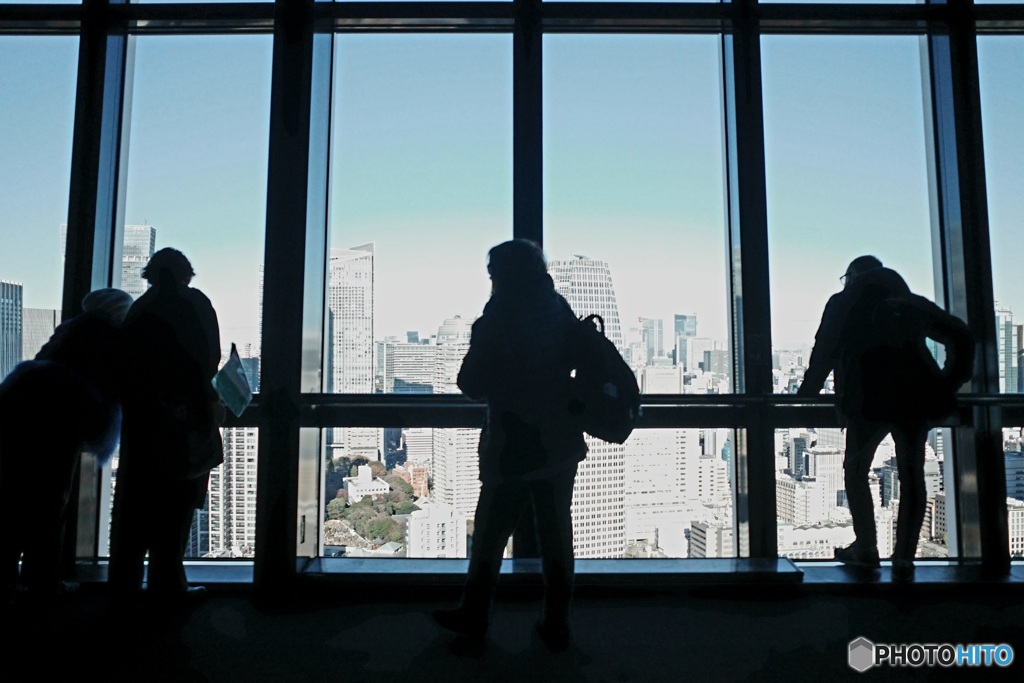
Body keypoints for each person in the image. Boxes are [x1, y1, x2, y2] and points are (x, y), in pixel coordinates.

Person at [432, 239, 587, 651]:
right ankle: (557, 623)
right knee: (557, 533)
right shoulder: (558, 307)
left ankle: (475, 615)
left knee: (491, 534)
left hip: (514, 444)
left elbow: (470, 382)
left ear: (499, 275)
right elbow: (575, 357)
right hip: (560, 441)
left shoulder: (499, 315)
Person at [797, 255, 973, 581]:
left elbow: (824, 349)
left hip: (867, 401)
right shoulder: (909, 303)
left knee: (855, 469)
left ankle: (866, 548)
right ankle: (904, 558)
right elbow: (961, 336)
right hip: (915, 402)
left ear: (852, 277)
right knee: (912, 475)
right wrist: (948, 383)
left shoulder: (843, 303)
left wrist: (806, 395)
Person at [0, 288, 132, 602]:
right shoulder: (107, 335)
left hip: (17, 410)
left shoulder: (72, 329)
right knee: (48, 502)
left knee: (14, 499)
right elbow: (123, 381)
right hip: (54, 419)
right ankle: (42, 584)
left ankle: (7, 580)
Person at [109, 248, 224, 598]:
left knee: (135, 512)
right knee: (175, 511)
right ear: (187, 273)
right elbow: (209, 358)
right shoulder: (195, 304)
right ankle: (169, 589)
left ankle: (124, 593)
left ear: (149, 275)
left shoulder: (138, 311)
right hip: (185, 426)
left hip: (142, 428)